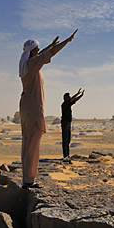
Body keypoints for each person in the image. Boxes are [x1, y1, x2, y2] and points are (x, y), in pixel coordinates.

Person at [18, 30, 78, 188]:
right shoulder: (32, 65)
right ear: (32, 52)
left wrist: (50, 45)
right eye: (36, 49)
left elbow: (42, 54)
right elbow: (50, 54)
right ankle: (29, 181)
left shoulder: (27, 65)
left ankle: (27, 179)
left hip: (27, 108)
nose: (38, 51)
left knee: (28, 143)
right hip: (33, 109)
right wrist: (67, 41)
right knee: (32, 144)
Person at [60, 87, 84, 159]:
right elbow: (72, 99)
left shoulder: (68, 104)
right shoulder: (64, 104)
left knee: (68, 139)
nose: (70, 98)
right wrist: (77, 93)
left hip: (68, 123)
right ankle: (65, 155)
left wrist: (81, 95)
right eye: (68, 97)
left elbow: (75, 100)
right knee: (65, 139)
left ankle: (67, 155)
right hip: (65, 123)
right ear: (65, 98)